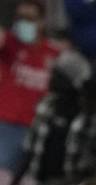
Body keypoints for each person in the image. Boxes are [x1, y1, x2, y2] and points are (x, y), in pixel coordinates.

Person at [10, 49, 88, 185]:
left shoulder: (87, 113)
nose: (51, 78)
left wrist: (65, 182)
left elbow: (92, 161)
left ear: (71, 80)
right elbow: (30, 150)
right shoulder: (46, 105)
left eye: (57, 75)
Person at [0, 1, 61, 170]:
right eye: (20, 18)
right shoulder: (11, 45)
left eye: (29, 19)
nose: (23, 23)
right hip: (7, 124)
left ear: (41, 22)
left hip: (39, 129)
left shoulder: (54, 53)